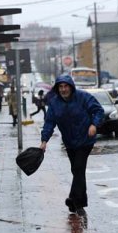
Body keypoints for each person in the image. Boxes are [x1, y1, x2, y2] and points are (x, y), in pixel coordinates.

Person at [39, 75, 104, 216]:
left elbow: (98, 110)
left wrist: (94, 124)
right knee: (76, 171)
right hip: (69, 142)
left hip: (85, 140)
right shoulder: (54, 103)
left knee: (78, 167)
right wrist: (44, 141)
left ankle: (78, 203)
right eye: (60, 87)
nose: (63, 89)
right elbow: (49, 123)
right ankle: (75, 200)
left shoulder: (82, 97)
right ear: (57, 88)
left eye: (66, 86)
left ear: (71, 86)